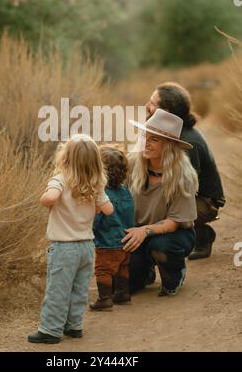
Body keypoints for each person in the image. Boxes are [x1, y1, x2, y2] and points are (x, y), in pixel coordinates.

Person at [28, 134, 114, 344]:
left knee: (58, 289)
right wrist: (92, 210)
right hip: (86, 246)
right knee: (79, 289)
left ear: (65, 158)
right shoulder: (95, 183)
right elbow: (109, 209)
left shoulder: (60, 179)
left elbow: (49, 198)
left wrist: (46, 200)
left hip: (64, 247)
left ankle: (50, 330)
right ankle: (74, 326)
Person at [146, 82, 225, 259]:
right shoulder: (170, 131)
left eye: (152, 103)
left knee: (159, 214)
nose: (147, 106)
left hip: (205, 201)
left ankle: (201, 234)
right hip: (193, 195)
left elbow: (186, 186)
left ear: (165, 112)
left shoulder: (187, 141)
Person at [125, 109, 198, 296]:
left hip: (173, 234)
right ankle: (145, 271)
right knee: (128, 283)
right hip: (137, 231)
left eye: (154, 140)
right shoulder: (131, 164)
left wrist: (144, 231)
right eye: (145, 136)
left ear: (169, 145)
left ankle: (175, 273)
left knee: (161, 246)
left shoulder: (183, 175)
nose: (145, 143)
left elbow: (174, 222)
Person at [90, 146, 134, 311]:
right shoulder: (125, 191)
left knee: (103, 270)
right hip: (125, 240)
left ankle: (105, 299)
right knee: (123, 267)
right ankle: (123, 294)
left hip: (107, 242)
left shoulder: (102, 194)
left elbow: (97, 219)